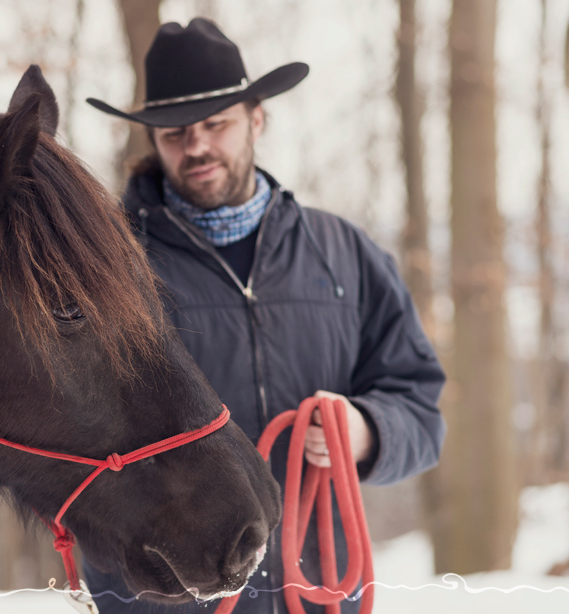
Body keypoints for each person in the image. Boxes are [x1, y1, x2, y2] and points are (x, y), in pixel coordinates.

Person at [83, 17, 446, 614]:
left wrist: (369, 430)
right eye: (175, 134)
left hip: (322, 594)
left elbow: (421, 405)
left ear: (257, 118)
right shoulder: (109, 267)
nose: (195, 146)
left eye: (215, 125)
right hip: (172, 600)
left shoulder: (343, 254)